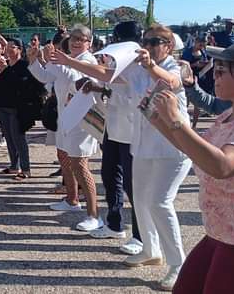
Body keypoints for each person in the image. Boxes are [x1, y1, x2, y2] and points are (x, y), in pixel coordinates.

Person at [52, 24, 191, 290]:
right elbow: (105, 73)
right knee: (139, 199)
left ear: (168, 45)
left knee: (160, 202)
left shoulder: (175, 66)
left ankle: (178, 264)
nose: (148, 46)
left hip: (171, 147)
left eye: (155, 42)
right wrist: (70, 61)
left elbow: (172, 82)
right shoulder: (136, 69)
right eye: (145, 41)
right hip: (142, 144)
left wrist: (151, 66)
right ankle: (151, 250)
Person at [148, 40, 234, 294]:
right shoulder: (230, 115)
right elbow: (200, 153)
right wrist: (160, 120)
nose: (214, 76)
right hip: (220, 231)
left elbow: (222, 166)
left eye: (220, 71)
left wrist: (177, 121)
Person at [57, 21, 144, 256]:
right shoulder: (119, 59)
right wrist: (95, 88)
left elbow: (108, 75)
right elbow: (109, 85)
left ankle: (140, 235)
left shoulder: (138, 62)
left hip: (131, 131)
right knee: (110, 176)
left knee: (132, 185)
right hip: (113, 128)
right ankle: (114, 223)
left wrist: (70, 62)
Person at [28, 24, 102, 233]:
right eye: (74, 38)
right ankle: (72, 199)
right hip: (65, 118)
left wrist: (59, 59)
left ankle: (94, 215)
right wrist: (35, 59)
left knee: (80, 165)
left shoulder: (88, 61)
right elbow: (45, 77)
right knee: (64, 157)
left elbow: (75, 80)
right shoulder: (67, 59)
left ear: (89, 43)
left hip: (82, 120)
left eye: (82, 39)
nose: (77, 42)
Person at [0, 38, 46, 179]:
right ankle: (14, 166)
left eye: (12, 47)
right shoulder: (5, 65)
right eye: (6, 47)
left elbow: (23, 85)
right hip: (2, 107)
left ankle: (26, 169)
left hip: (17, 109)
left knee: (18, 139)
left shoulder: (24, 66)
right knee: (8, 138)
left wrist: (6, 70)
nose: (8, 50)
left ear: (19, 49)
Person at [181, 36, 213, 128]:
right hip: (188, 78)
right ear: (196, 42)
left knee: (197, 103)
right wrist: (194, 65)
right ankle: (184, 123)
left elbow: (205, 60)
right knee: (185, 101)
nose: (201, 46)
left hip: (200, 78)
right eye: (200, 44)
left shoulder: (203, 52)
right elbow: (183, 65)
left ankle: (194, 125)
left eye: (203, 45)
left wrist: (205, 64)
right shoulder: (188, 52)